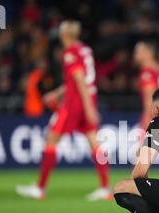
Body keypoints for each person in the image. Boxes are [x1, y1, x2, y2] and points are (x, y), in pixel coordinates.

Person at [16, 21, 111, 201]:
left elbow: (79, 79)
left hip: (74, 103)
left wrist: (89, 109)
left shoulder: (70, 52)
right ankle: (105, 188)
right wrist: (57, 93)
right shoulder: (84, 49)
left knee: (51, 139)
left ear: (65, 33)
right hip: (87, 98)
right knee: (94, 141)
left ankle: (40, 188)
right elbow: (76, 80)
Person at [134, 41, 159, 131]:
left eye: (138, 51)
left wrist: (146, 119)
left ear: (148, 53)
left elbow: (150, 98)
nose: (135, 55)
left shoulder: (147, 72)